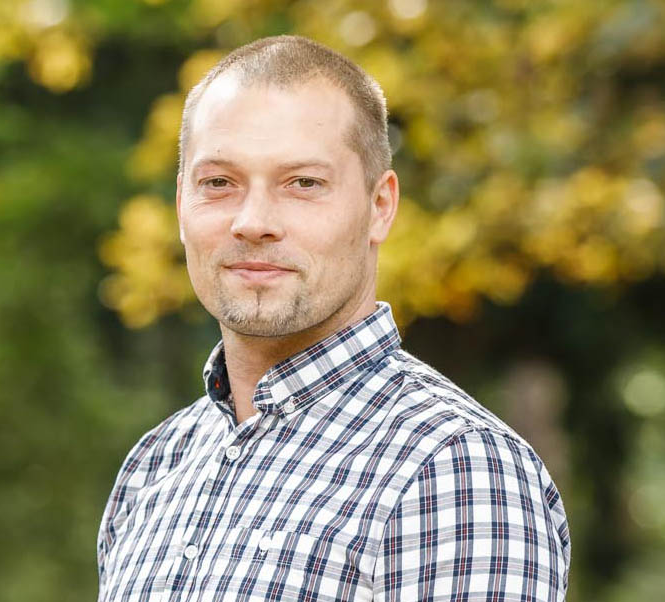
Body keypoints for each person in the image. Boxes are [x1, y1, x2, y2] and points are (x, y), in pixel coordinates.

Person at [97, 35, 570, 602]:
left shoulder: (454, 471)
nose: (252, 221)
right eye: (218, 183)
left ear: (379, 206)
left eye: (303, 184)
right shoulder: (156, 467)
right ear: (181, 205)